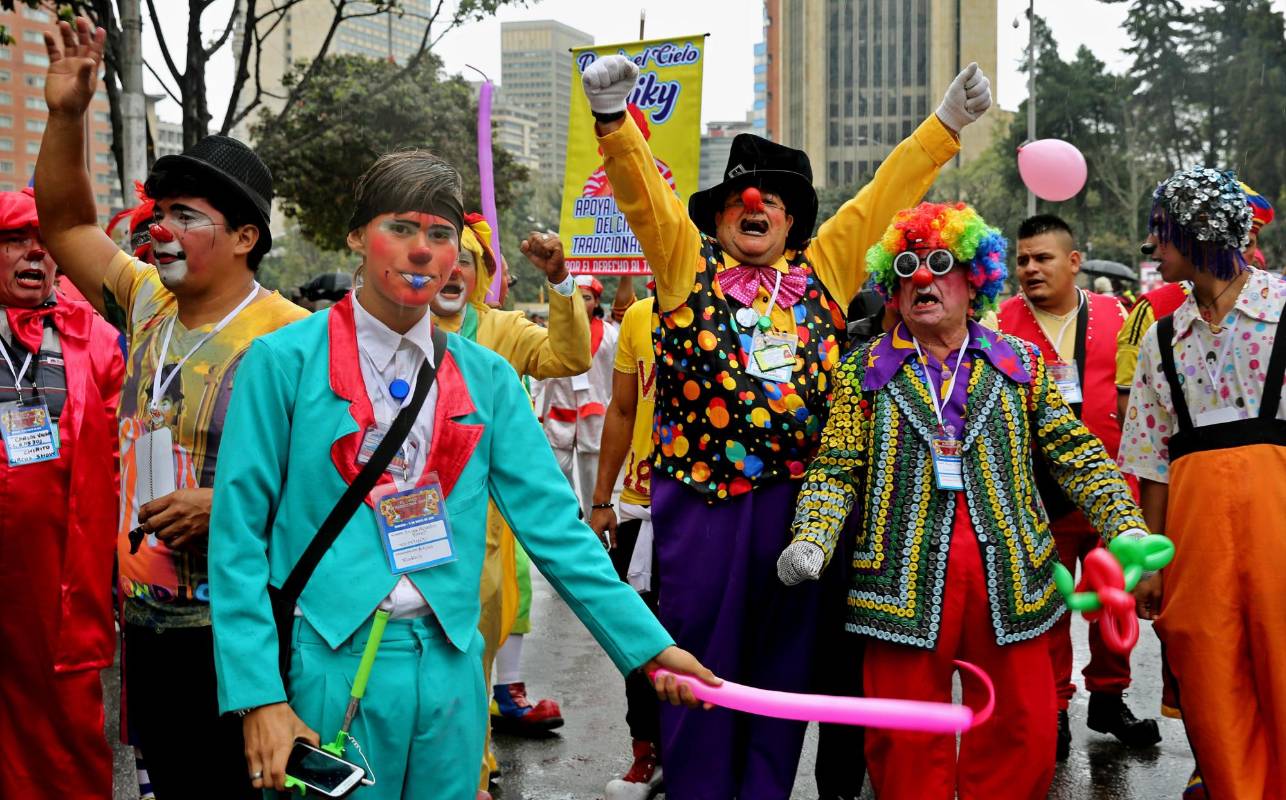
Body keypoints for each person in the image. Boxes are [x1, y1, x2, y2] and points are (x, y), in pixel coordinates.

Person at [207, 149, 716, 800]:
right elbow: (238, 540)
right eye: (402, 227)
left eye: (441, 234)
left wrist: (648, 647)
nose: (422, 250)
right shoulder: (284, 364)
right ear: (358, 236)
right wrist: (259, 699)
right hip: (329, 666)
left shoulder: (489, 378)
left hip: (453, 669)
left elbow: (556, 529)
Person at [579, 50, 991, 795]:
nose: (755, 205)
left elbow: (880, 196)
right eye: (742, 195)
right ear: (723, 214)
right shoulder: (684, 266)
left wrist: (946, 124)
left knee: (782, 675)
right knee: (698, 663)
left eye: (770, 196)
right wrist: (614, 125)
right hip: (698, 505)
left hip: (800, 514)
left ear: (793, 217)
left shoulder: (825, 271)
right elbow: (647, 203)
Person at [779, 201, 1149, 798]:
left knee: (1022, 731)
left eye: (939, 263)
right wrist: (813, 537)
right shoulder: (863, 371)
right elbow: (836, 468)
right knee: (903, 742)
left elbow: (1075, 451)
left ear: (974, 278)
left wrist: (1122, 524)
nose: (922, 278)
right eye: (907, 267)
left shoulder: (1022, 365)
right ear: (893, 288)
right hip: (899, 582)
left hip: (1013, 577)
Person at [34, 18, 307, 798]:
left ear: (247, 236)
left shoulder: (296, 342)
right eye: (161, 213)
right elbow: (67, 225)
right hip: (146, 625)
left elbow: (345, 491)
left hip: (243, 633)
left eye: (188, 215)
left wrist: (227, 505)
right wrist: (65, 115)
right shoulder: (146, 300)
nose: (161, 228)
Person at [1121, 166, 1286, 800]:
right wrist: (1152, 563)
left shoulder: (1283, 314)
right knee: (1212, 689)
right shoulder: (1163, 338)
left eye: (1159, 233)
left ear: (1196, 234)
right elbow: (1152, 465)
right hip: (1195, 550)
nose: (1152, 249)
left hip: (1277, 540)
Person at [430, 215, 591, 784]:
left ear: (481, 275)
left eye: (466, 263)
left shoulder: (502, 328)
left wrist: (561, 280)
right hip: (402, 523)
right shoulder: (396, 325)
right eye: (444, 258)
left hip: (484, 528)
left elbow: (568, 359)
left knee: (476, 653)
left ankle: (471, 767)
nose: (452, 270)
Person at [997, 213, 1159, 759]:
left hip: (1114, 485)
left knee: (1115, 603)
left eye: (1042, 258)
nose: (1029, 269)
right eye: (1022, 259)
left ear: (1073, 261)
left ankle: (1110, 699)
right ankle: (1055, 708)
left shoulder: (1120, 314)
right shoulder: (1000, 322)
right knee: (1049, 609)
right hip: (1037, 494)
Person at [0, 188, 124, 800]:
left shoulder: (94, 338)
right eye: (15, 239)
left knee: (69, 727)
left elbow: (121, 453)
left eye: (46, 242)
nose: (35, 253)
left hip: (63, 575)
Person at [589, 294, 663, 799]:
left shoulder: (742, 307)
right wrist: (601, 499)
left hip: (719, 508)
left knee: (713, 640)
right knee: (640, 642)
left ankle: (703, 755)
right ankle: (646, 756)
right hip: (641, 507)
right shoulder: (640, 316)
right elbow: (620, 408)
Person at [536, 274, 618, 519]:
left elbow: (616, 373)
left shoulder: (610, 334)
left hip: (594, 412)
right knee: (557, 470)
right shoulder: (556, 331)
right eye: (578, 297)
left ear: (597, 301)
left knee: (592, 474)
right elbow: (542, 369)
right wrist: (536, 403)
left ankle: (596, 519)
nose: (582, 303)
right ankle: (571, 511)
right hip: (560, 409)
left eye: (587, 297)